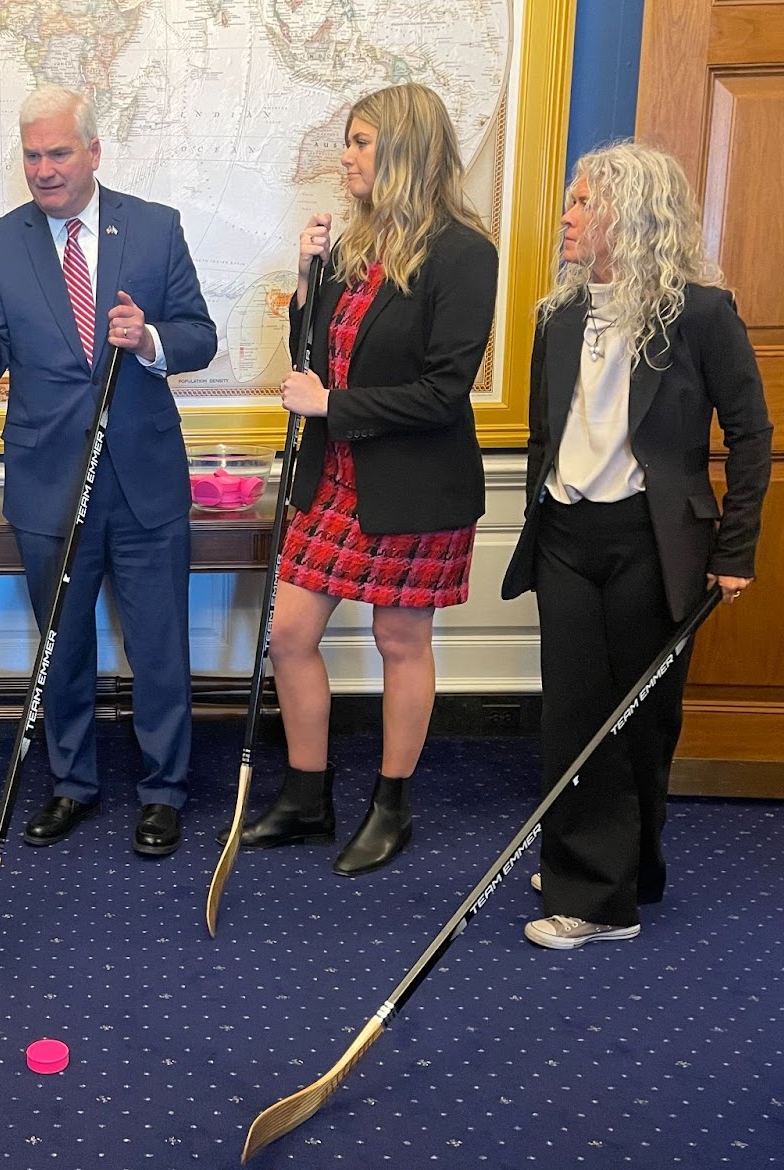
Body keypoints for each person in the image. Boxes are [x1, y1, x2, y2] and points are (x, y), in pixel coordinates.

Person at [219, 83, 498, 877]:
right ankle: (308, 798)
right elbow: (317, 349)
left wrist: (332, 403)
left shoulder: (465, 253)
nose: (346, 155)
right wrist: (308, 281)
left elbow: (445, 391)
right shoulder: (352, 244)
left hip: (413, 484)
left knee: (398, 639)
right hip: (332, 476)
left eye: (363, 141)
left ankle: (392, 805)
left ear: (406, 150)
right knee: (290, 633)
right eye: (349, 140)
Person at [0, 85, 217, 857]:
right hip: (48, 479)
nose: (45, 168)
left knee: (158, 643)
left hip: (145, 476)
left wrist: (151, 338)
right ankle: (72, 785)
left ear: (93, 151)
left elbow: (200, 335)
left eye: (59, 152)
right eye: (32, 154)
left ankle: (162, 791)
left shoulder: (155, 229)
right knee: (61, 644)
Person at [501, 142, 772, 949]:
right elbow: (546, 433)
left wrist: (736, 549)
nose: (569, 216)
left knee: (643, 721)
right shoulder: (558, 314)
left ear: (634, 215)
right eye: (572, 201)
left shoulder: (702, 313)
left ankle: (624, 871)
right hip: (567, 536)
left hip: (652, 542)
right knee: (578, 714)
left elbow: (751, 434)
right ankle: (596, 892)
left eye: (586, 203)